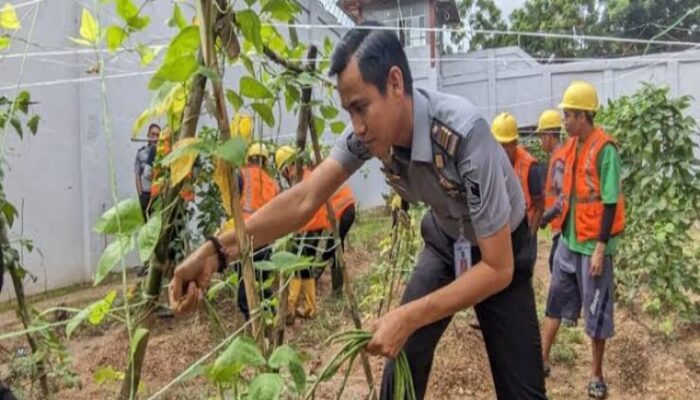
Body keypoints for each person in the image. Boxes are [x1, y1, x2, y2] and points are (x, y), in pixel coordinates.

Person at [169, 22, 546, 399]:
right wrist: (216, 251)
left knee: (522, 390)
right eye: (350, 112)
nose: (357, 127)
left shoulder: (464, 136)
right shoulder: (368, 136)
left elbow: (497, 268)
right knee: (403, 362)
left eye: (361, 107)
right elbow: (304, 199)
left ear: (395, 83)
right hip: (448, 241)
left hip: (502, 253)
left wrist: (408, 315)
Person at [541, 81, 625, 399]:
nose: (564, 121)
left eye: (568, 115)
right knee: (555, 300)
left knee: (596, 311)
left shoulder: (606, 150)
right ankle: (543, 360)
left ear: (582, 116)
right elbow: (567, 194)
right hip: (569, 241)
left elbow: (609, 201)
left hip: (593, 245)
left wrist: (602, 248)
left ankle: (596, 374)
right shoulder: (573, 147)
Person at [234, 142, 279, 320]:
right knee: (263, 280)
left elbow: (232, 202)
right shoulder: (272, 182)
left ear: (248, 158)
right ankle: (270, 317)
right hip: (265, 237)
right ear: (265, 161)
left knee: (244, 280)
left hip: (245, 235)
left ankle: (252, 321)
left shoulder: (240, 174)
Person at [491, 112, 544, 238]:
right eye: (498, 145)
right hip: (502, 231)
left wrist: (530, 237)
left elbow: (540, 207)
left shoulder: (530, 167)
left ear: (515, 142)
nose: (501, 151)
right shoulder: (491, 164)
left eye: (505, 145)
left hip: (524, 230)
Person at [536, 109, 569, 272]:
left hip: (563, 230)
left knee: (557, 271)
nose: (540, 141)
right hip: (562, 229)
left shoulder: (559, 161)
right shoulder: (561, 155)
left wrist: (545, 218)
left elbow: (564, 197)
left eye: (540, 137)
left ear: (548, 135)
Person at [134, 123, 160, 218]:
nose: (155, 137)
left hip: (158, 195)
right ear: (148, 135)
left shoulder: (162, 153)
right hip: (145, 193)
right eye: (153, 134)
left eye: (157, 135)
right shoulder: (141, 153)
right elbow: (137, 176)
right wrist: (140, 195)